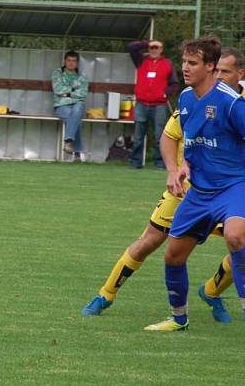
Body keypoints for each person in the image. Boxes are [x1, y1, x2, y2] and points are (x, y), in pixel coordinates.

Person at [82, 108, 232, 322]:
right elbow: (168, 137)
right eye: (219, 71)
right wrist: (172, 171)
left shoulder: (237, 107)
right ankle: (105, 295)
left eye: (225, 71)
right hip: (182, 193)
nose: (220, 75)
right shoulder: (192, 101)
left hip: (223, 196)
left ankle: (211, 292)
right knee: (149, 242)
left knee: (240, 245)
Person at [145, 36, 245, 331]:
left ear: (211, 67)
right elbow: (190, 141)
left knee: (236, 235)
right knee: (173, 256)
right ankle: (178, 318)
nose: (185, 68)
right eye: (184, 62)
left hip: (234, 186)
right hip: (199, 191)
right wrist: (177, 168)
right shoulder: (187, 99)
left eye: (193, 63)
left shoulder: (231, 103)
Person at [126, 39, 180, 169]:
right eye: (152, 47)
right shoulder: (141, 60)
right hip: (141, 103)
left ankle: (160, 162)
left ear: (161, 50)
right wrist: (147, 43)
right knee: (138, 135)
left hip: (159, 104)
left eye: (157, 47)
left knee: (159, 136)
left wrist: (165, 94)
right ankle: (136, 162)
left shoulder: (167, 64)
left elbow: (174, 83)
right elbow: (131, 47)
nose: (154, 50)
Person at [51, 50, 89, 162]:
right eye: (69, 60)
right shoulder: (57, 73)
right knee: (76, 119)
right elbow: (58, 90)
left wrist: (66, 93)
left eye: (74, 61)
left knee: (77, 110)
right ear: (64, 61)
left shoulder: (82, 76)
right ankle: (77, 153)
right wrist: (74, 91)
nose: (71, 63)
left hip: (77, 104)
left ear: (77, 63)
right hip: (61, 106)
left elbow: (83, 93)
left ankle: (68, 142)